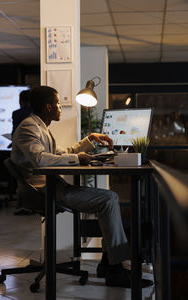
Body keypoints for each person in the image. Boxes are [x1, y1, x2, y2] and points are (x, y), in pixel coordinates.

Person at [11, 85, 152, 288]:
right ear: (49, 106)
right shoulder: (28, 127)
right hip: (43, 193)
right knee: (109, 199)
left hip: (53, 188)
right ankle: (114, 269)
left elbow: (62, 152)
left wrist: (89, 140)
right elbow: (40, 160)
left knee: (108, 199)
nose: (61, 107)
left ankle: (109, 263)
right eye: (58, 103)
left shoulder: (39, 127)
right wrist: (76, 157)